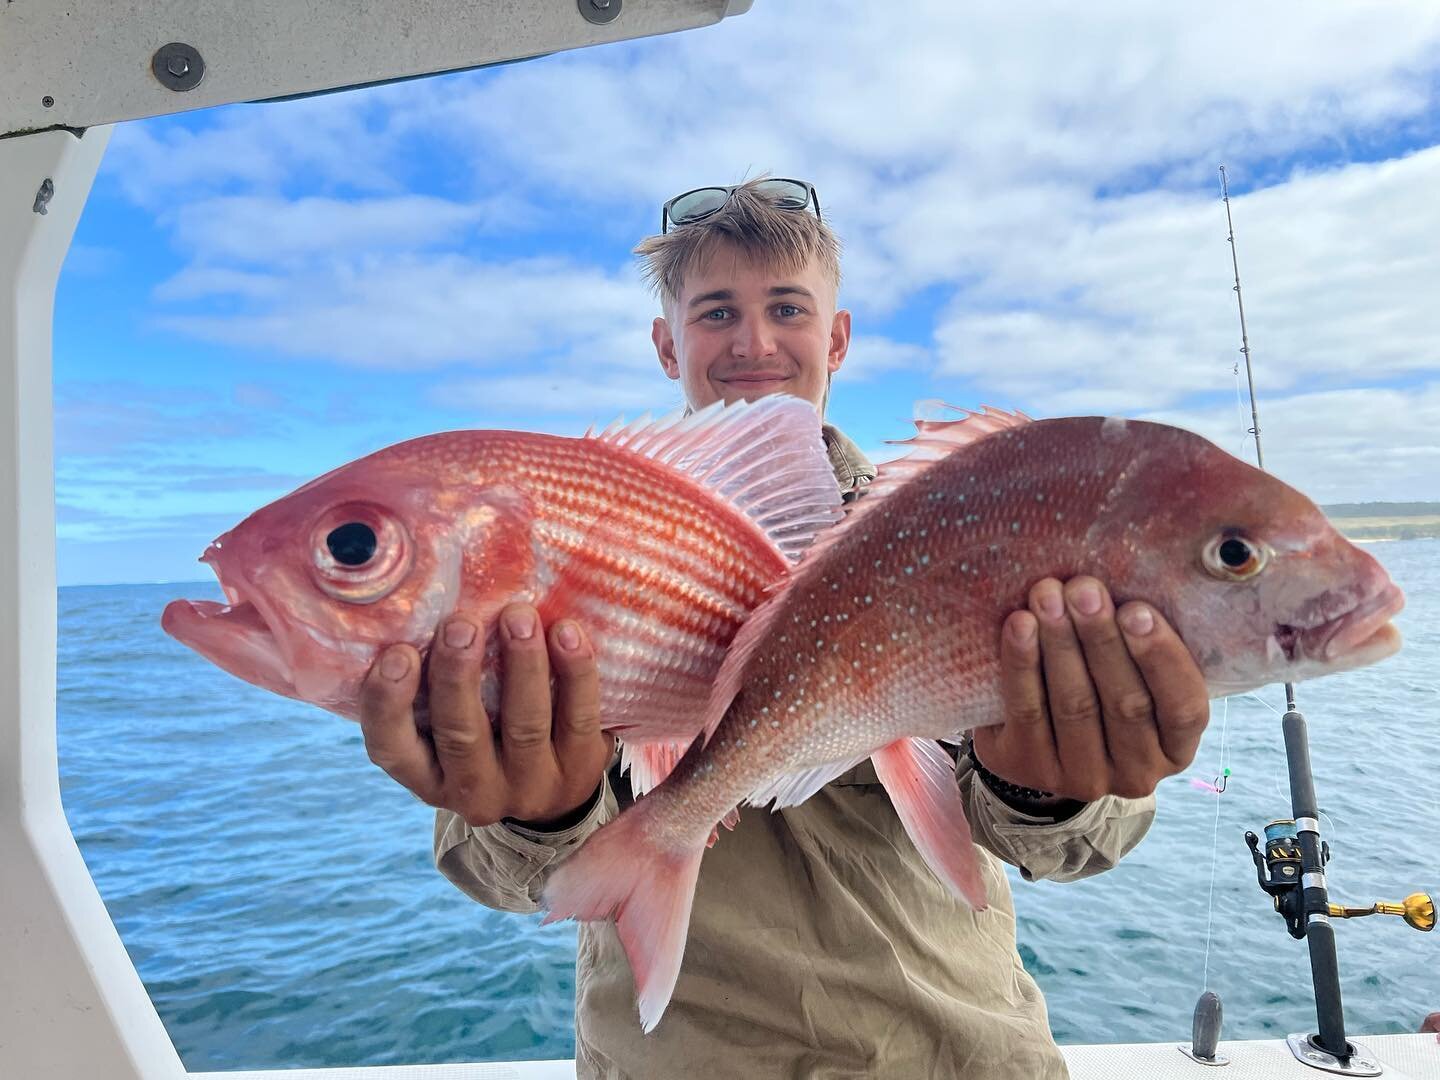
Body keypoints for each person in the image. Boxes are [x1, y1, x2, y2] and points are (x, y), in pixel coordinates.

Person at [357, 178, 1211, 1079]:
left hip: (948, 1051)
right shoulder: (570, 545)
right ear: (667, 344)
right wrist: (538, 808)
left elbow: (1078, 844)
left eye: (788, 308)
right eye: (717, 311)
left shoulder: (956, 536)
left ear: (836, 338)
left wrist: (1055, 789)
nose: (754, 342)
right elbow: (497, 870)